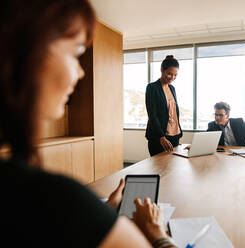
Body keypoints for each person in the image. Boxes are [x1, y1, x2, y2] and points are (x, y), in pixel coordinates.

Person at [0, 1, 176, 247]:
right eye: (75, 54)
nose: (81, 73)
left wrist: (104, 210)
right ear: (27, 56)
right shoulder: (60, 199)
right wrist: (157, 233)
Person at [145, 55, 182, 156]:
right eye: (169, 74)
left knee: (173, 169)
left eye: (175, 75)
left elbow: (174, 113)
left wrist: (178, 134)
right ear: (162, 70)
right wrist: (161, 137)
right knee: (159, 169)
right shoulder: (152, 88)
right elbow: (152, 115)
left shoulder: (172, 88)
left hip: (174, 136)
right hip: (160, 137)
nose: (172, 78)